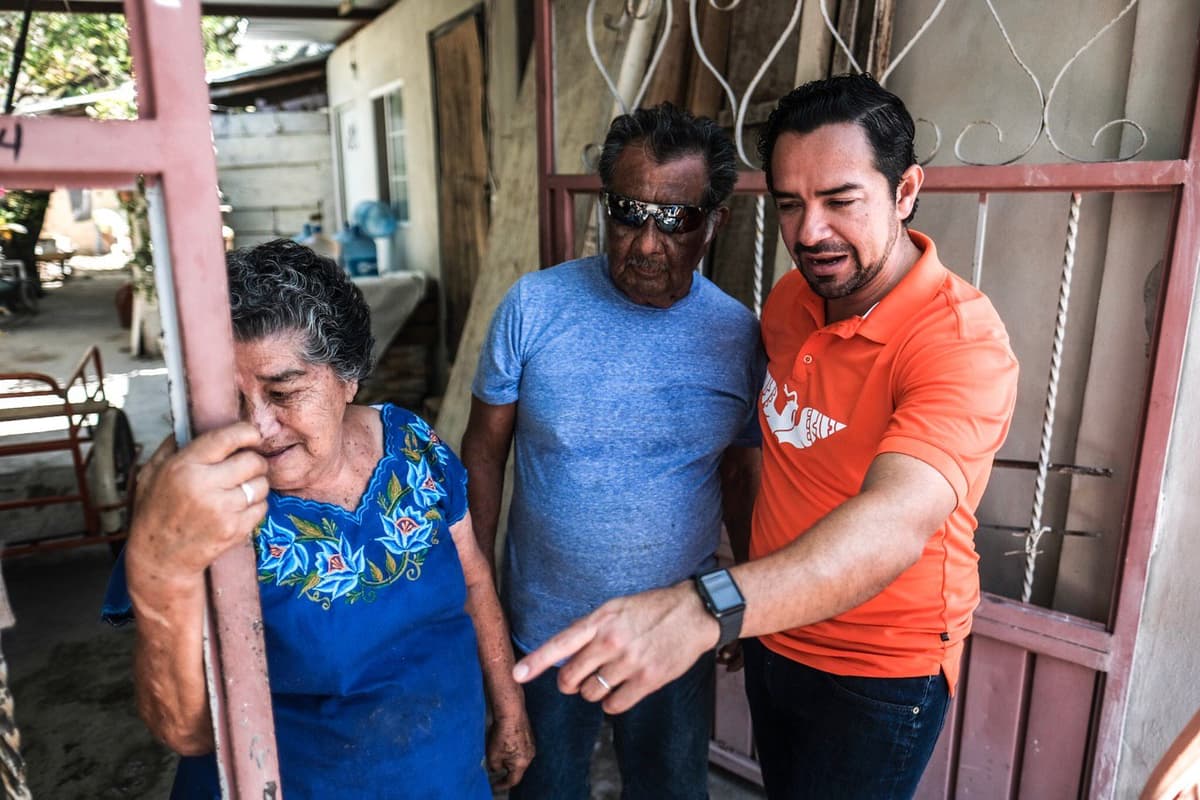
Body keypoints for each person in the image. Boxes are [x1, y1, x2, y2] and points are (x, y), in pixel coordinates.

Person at [511, 74, 1020, 799]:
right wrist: (747, 612)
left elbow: (894, 523)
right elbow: (753, 461)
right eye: (791, 204)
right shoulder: (789, 302)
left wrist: (706, 605)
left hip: (876, 669)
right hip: (778, 632)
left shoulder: (960, 343)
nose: (810, 232)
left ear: (905, 191)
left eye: (841, 200)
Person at [103, 239, 533, 798]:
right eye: (232, 398)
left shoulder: (413, 447)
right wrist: (160, 566)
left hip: (444, 772)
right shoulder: (199, 500)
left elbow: (473, 580)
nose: (257, 426)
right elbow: (183, 730)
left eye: (284, 392)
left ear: (347, 377)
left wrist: (510, 707)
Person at [461, 103, 763, 799]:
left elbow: (742, 469)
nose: (647, 245)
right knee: (544, 787)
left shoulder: (736, 336)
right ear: (605, 210)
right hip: (542, 628)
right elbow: (483, 451)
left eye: (675, 220)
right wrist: (477, 601)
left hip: (672, 633)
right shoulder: (533, 307)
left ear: (713, 222)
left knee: (670, 790)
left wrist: (742, 595)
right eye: (629, 214)